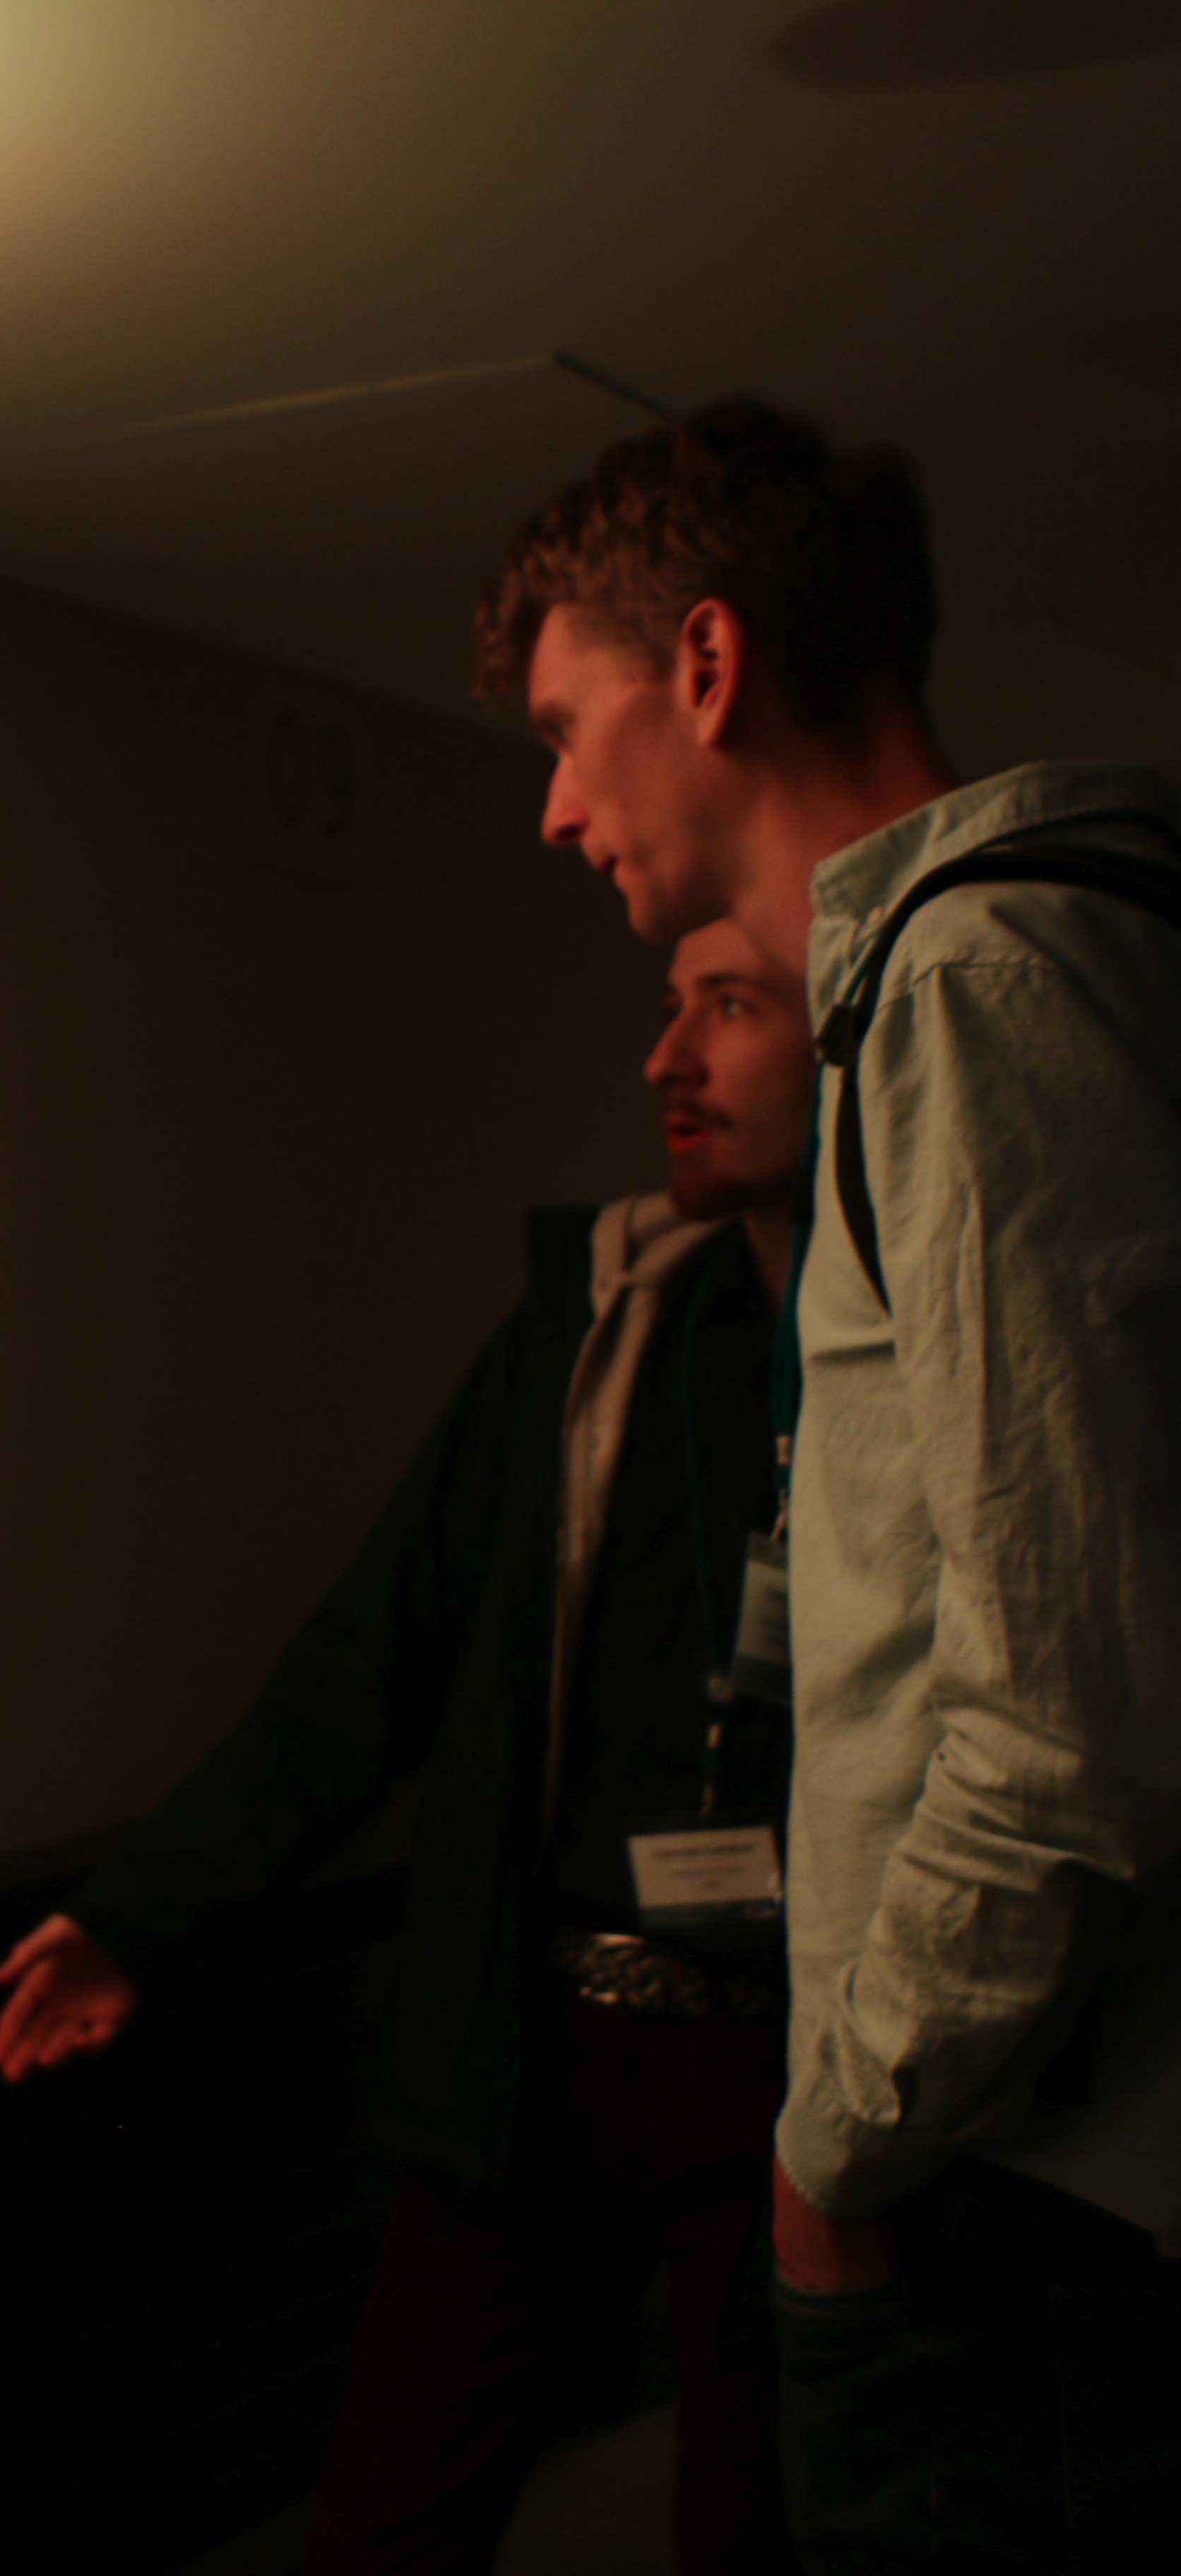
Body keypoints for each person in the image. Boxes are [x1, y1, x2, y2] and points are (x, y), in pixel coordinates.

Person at [474, 396, 1181, 2570]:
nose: (555, 807)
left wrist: (835, 2147)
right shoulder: (981, 982)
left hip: (1001, 2209)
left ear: (707, 664)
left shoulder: (974, 981)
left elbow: (1064, 1733)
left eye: (568, 729)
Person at [0, 923, 814, 2575]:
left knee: (758, 2534)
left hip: (791, 2076)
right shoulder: (593, 1328)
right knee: (383, 2527)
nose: (667, 1059)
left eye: (730, 1008)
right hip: (532, 2040)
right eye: (673, 1008)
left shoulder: (925, 1351)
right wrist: (140, 1917)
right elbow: (369, 1657)